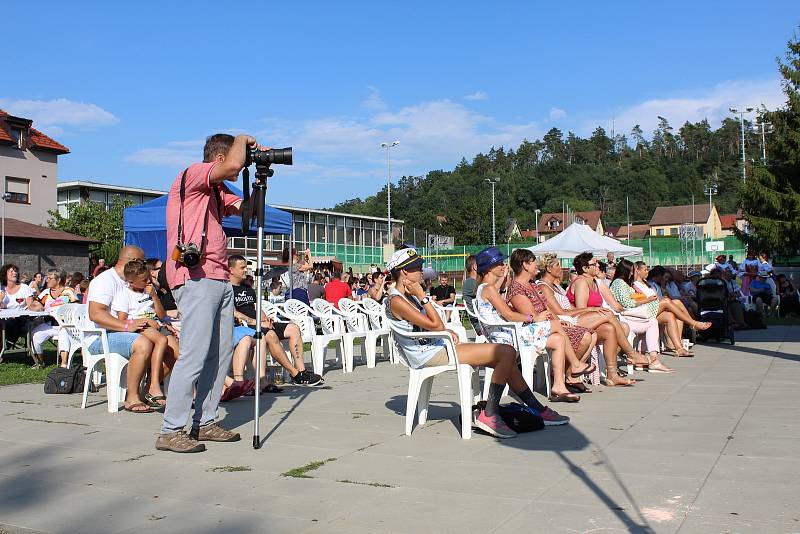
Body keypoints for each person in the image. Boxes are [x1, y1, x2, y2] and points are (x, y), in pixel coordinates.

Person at [385, 247, 569, 436]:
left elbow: (431, 326)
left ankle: (536, 408)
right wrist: (423, 297)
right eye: (418, 267)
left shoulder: (408, 296)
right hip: (428, 354)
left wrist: (441, 326)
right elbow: (436, 324)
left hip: (437, 347)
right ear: (405, 272)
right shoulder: (397, 300)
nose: (422, 271)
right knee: (506, 352)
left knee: (507, 360)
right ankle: (490, 413)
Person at [157, 133, 260, 454]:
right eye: (231, 158)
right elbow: (233, 165)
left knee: (219, 355)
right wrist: (243, 140)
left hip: (219, 278)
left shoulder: (217, 192)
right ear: (218, 159)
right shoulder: (192, 175)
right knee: (194, 354)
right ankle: (171, 429)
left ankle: (206, 420)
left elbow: (249, 211)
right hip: (194, 276)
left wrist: (259, 177)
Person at [475, 246, 593, 403]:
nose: (504, 266)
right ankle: (576, 364)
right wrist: (532, 318)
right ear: (490, 267)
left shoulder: (486, 288)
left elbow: (503, 311)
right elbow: (508, 315)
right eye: (500, 264)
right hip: (507, 337)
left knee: (558, 340)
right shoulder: (489, 288)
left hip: (508, 333)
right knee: (554, 324)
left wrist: (503, 280)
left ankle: (558, 386)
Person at [536, 253, 646, 387]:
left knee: (609, 330)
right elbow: (561, 312)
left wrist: (590, 309)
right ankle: (630, 353)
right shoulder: (544, 287)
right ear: (549, 268)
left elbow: (569, 307)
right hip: (567, 321)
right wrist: (590, 309)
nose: (561, 268)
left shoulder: (555, 287)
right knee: (607, 314)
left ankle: (612, 375)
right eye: (558, 265)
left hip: (572, 317)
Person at [506, 249, 596, 394]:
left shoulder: (532, 284)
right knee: (584, 336)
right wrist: (553, 321)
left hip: (545, 328)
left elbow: (546, 308)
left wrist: (558, 320)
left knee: (583, 335)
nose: (537, 265)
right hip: (529, 331)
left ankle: (559, 385)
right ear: (525, 265)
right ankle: (573, 366)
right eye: (533, 262)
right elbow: (532, 316)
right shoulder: (516, 288)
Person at [229, 255, 323, 388]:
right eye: (242, 268)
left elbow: (256, 307)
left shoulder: (248, 288)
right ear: (231, 270)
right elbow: (234, 313)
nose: (246, 270)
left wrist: (265, 318)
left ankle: (302, 371)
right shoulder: (227, 289)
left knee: (293, 328)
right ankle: (295, 374)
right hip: (247, 326)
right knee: (270, 336)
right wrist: (258, 323)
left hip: (260, 323)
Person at [85, 245, 156, 412]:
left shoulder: (130, 282)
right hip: (99, 337)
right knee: (143, 343)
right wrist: (127, 326)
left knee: (168, 343)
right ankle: (131, 398)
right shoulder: (105, 281)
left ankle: (148, 391)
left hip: (123, 332)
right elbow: (95, 314)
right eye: (143, 262)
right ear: (134, 262)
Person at [114, 259, 179, 408]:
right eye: (143, 280)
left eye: (148, 278)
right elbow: (122, 320)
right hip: (140, 325)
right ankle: (155, 385)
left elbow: (162, 315)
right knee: (162, 341)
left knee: (176, 354)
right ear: (131, 281)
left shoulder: (149, 291)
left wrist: (154, 296)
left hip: (156, 323)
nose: (148, 282)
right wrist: (143, 320)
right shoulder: (124, 294)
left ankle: (147, 389)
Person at [609, 260, 674, 373]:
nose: (633, 273)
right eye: (632, 271)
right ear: (627, 271)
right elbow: (627, 303)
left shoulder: (622, 283)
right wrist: (647, 300)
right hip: (625, 317)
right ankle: (653, 361)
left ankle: (647, 360)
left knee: (653, 321)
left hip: (628, 315)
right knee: (653, 322)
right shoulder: (619, 283)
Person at [30, 269, 77, 368]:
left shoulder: (68, 291)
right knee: (36, 334)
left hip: (67, 325)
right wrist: (36, 306)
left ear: (58, 279)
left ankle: (64, 364)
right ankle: (40, 362)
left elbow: (76, 307)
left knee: (64, 332)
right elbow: (35, 305)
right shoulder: (46, 292)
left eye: (50, 278)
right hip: (50, 324)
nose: (46, 280)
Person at [0, 263, 43, 365]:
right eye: (11, 271)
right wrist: (1, 299)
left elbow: (30, 305)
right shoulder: (1, 288)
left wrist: (39, 306)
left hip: (20, 320)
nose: (14, 273)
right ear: (5, 275)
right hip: (4, 318)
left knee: (9, 323)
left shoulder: (24, 288)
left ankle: (3, 351)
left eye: (15, 271)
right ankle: (2, 349)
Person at [461, 255, 480, 332]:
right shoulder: (471, 282)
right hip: (480, 322)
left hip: (480, 319)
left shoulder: (470, 282)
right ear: (475, 267)